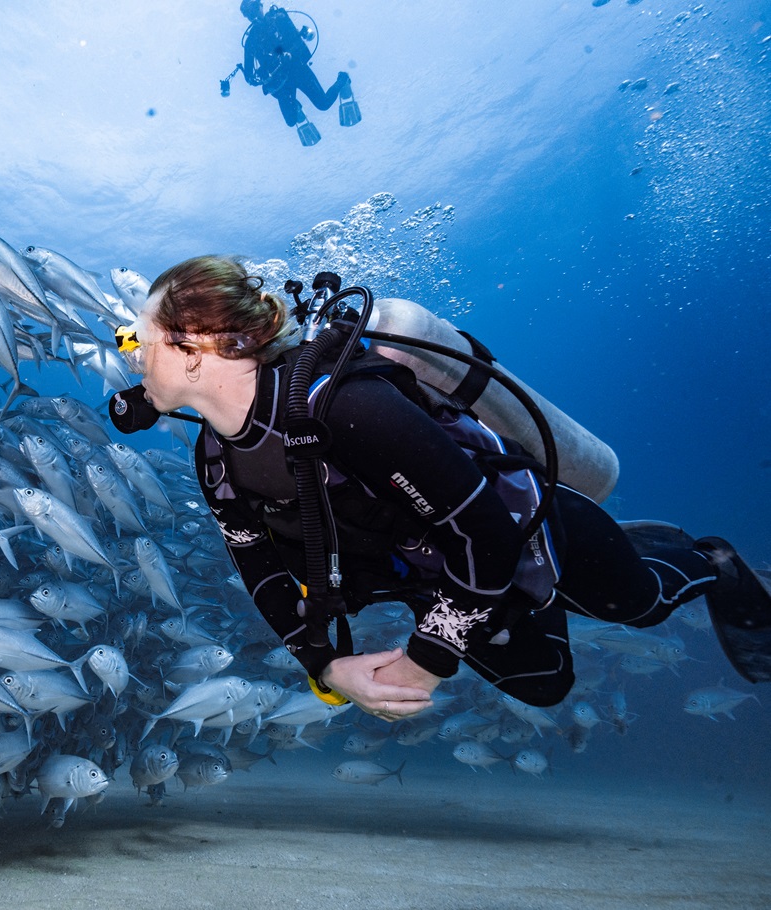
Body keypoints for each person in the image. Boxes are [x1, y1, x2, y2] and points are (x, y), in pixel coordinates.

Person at [111, 255, 769, 722]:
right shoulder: (215, 456)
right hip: (448, 580)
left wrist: (427, 659)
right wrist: (326, 665)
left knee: (639, 604)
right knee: (544, 687)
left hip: (525, 530)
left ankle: (705, 558)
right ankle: (594, 569)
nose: (133, 353)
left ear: (194, 346)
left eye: (141, 336)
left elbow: (486, 532)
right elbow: (257, 566)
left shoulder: (346, 408)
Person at [238, 1, 356, 146]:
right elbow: (249, 76)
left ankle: (342, 80)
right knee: (290, 121)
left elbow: (298, 41)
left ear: (260, 6)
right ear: (246, 17)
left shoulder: (278, 18)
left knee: (323, 104)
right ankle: (296, 107)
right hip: (280, 83)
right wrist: (258, 78)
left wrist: (289, 54)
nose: (253, 14)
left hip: (298, 69)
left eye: (255, 8)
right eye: (249, 13)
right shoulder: (251, 42)